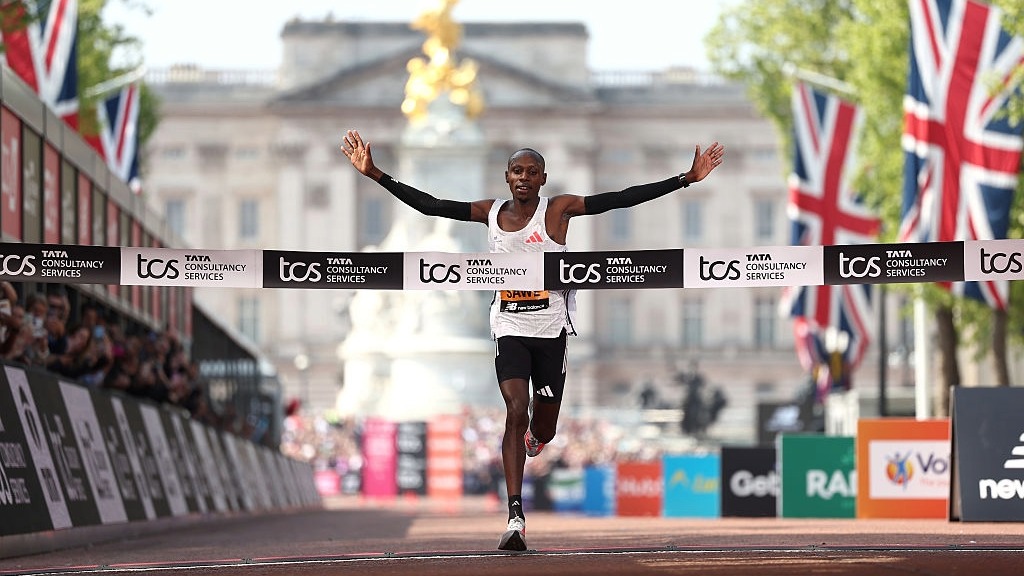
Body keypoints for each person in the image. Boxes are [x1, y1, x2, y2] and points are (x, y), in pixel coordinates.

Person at [341, 129, 725, 551]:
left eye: (532, 171)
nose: (524, 177)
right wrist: (375, 173)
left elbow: (619, 198)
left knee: (544, 426)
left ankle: (537, 439)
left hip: (551, 330)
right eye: (517, 171)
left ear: (543, 179)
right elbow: (432, 206)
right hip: (508, 325)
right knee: (515, 409)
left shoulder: (558, 210)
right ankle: (515, 514)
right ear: (506, 176)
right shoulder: (490, 212)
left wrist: (684, 179)